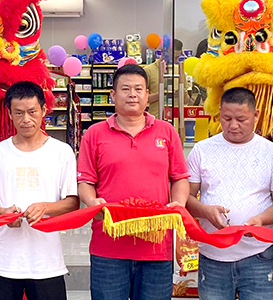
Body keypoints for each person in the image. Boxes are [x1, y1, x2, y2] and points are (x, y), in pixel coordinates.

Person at [78, 64, 190, 300]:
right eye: (125, 89)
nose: (132, 95)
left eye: (138, 89)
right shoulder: (94, 134)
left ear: (147, 95)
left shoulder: (167, 132)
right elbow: (86, 181)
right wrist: (91, 201)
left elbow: (179, 177)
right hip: (109, 247)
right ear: (113, 94)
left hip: (156, 247)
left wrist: (179, 204)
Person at [0, 81, 79, 300]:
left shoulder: (62, 152)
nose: (26, 119)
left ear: (44, 110)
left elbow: (72, 202)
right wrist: (1, 213)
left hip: (46, 261)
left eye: (32, 111)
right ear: (9, 114)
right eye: (19, 113)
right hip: (3, 260)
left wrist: (45, 207)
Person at [186, 87, 273, 300]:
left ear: (256, 115)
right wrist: (205, 211)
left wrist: (261, 220)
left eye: (241, 119)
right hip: (213, 254)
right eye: (227, 118)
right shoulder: (202, 150)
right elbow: (185, 198)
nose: (233, 125)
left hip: (258, 254)